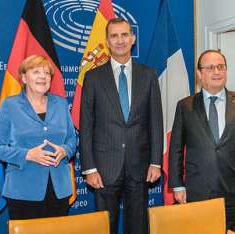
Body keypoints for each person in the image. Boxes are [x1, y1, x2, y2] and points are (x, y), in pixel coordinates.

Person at [79, 18, 163, 234]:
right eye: (114, 36)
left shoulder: (149, 75)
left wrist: (155, 161)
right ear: (107, 41)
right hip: (104, 168)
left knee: (138, 227)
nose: (120, 40)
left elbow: (155, 121)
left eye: (124, 35)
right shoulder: (93, 77)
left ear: (133, 39)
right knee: (104, 228)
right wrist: (89, 168)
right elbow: (86, 126)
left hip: (140, 166)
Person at [169, 49, 235, 233]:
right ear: (199, 73)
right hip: (196, 191)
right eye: (210, 68)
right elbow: (176, 149)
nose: (217, 72)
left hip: (232, 190)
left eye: (221, 67)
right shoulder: (185, 106)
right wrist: (177, 184)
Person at [0, 55, 77, 219]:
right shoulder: (10, 105)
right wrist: (27, 154)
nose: (43, 76)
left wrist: (65, 150)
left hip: (59, 190)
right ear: (24, 78)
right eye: (36, 72)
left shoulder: (61, 104)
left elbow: (72, 140)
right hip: (23, 191)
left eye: (46, 73)